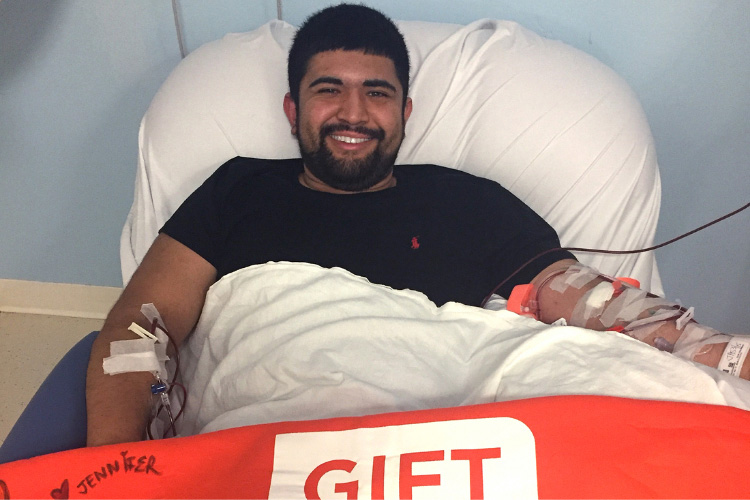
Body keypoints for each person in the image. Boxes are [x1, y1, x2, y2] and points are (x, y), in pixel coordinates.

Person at [1, 4, 745, 462]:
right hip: (278, 407)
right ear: (294, 111)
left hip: (463, 426)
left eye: (376, 93)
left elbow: (594, 307)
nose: (353, 113)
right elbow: (142, 321)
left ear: (404, 113)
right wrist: (117, 472)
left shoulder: (473, 202)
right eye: (329, 91)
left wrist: (727, 356)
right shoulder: (237, 190)